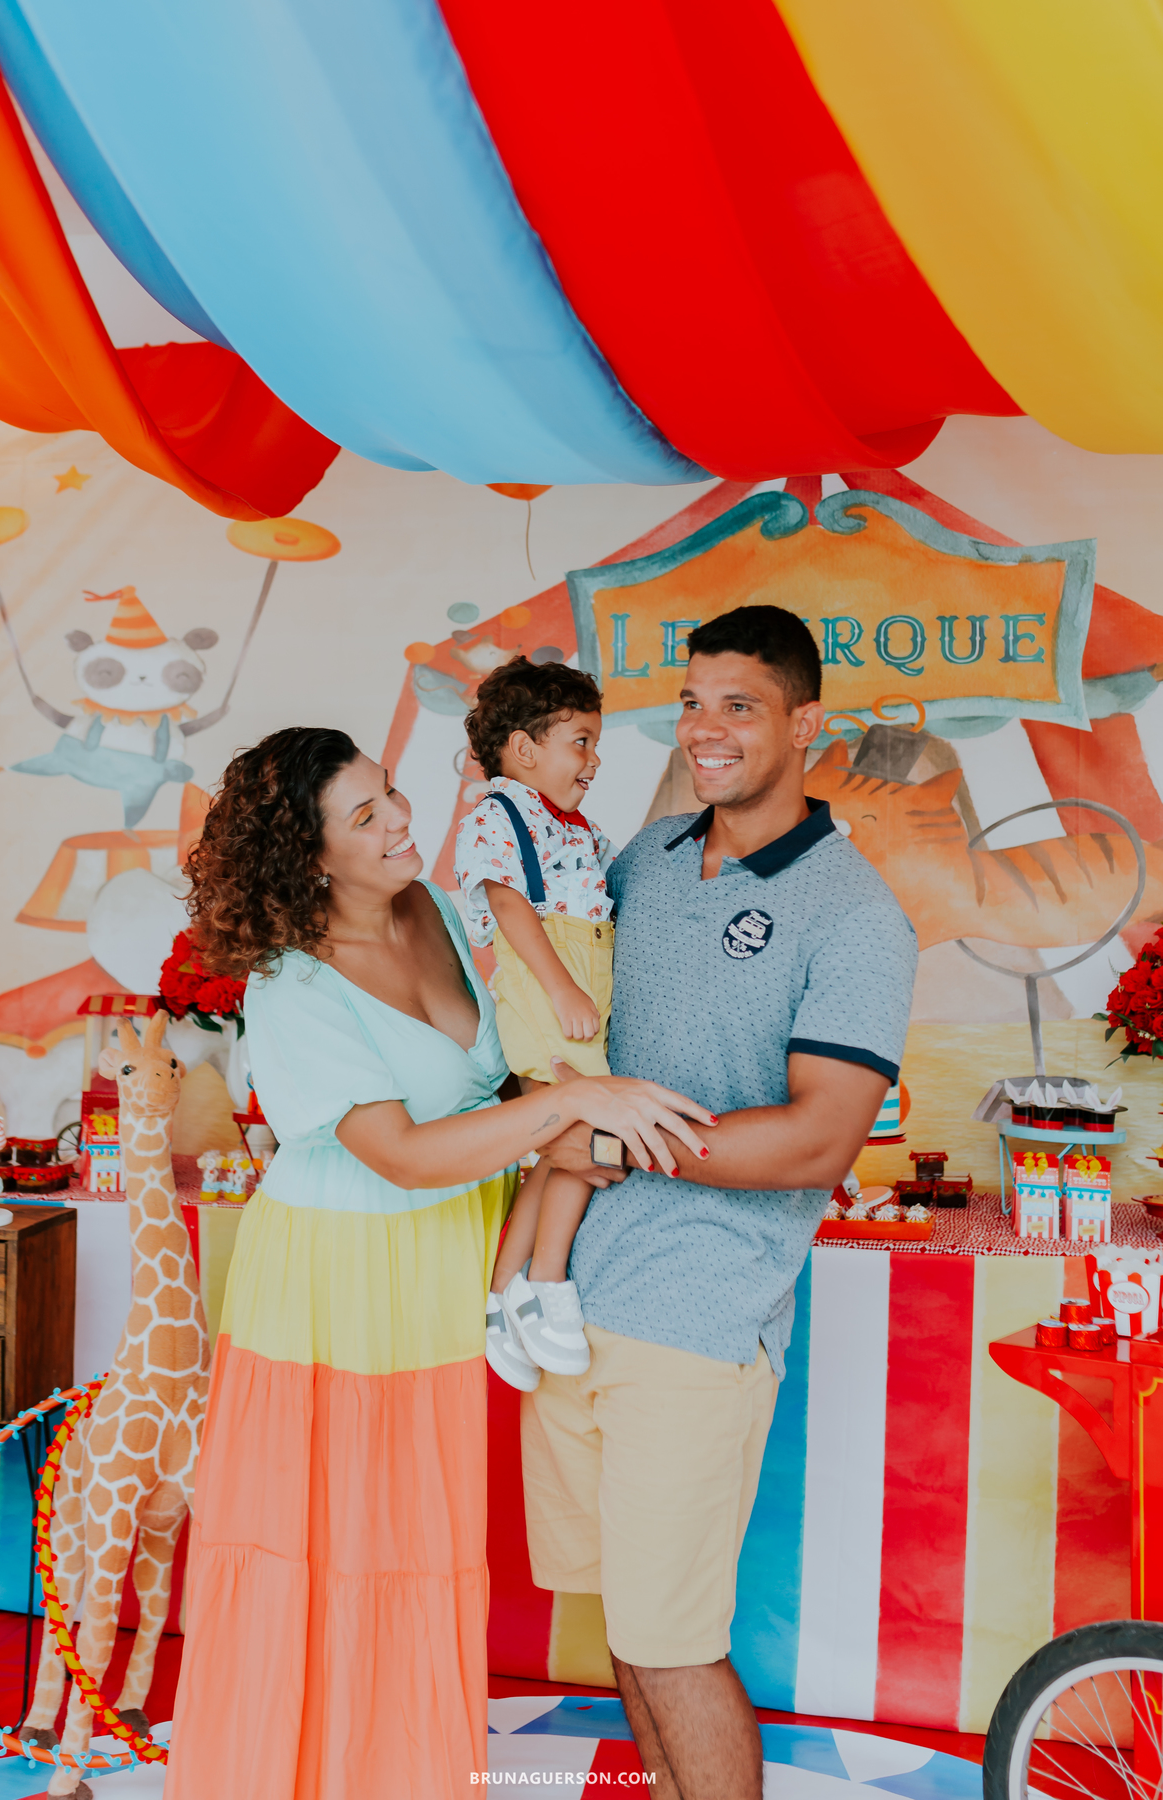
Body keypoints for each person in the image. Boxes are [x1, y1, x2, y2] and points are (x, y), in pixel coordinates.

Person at [163, 725, 713, 1800]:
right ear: (307, 856)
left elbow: (489, 1095)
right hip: (336, 1283)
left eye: (392, 795)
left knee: (417, 1544)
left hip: (440, 1270)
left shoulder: (445, 914)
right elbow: (407, 1157)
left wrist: (558, 1131)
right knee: (325, 1549)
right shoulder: (294, 988)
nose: (402, 820)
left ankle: (400, 1775)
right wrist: (569, 1108)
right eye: (365, 817)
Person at [525, 607, 919, 1800]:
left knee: (674, 1643)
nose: (705, 728)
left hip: (698, 1322)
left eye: (738, 705)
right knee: (626, 1638)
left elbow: (817, 1141)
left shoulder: (857, 915)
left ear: (808, 724)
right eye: (692, 702)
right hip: (570, 1302)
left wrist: (616, 1141)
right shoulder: (640, 863)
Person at [454, 656, 623, 1391]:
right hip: (548, 991)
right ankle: (546, 1281)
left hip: (581, 986)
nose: (593, 758)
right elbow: (510, 904)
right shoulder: (501, 814)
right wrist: (561, 989)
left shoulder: (573, 825)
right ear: (524, 750)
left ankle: (504, 1297)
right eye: (579, 740)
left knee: (563, 1151)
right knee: (586, 1146)